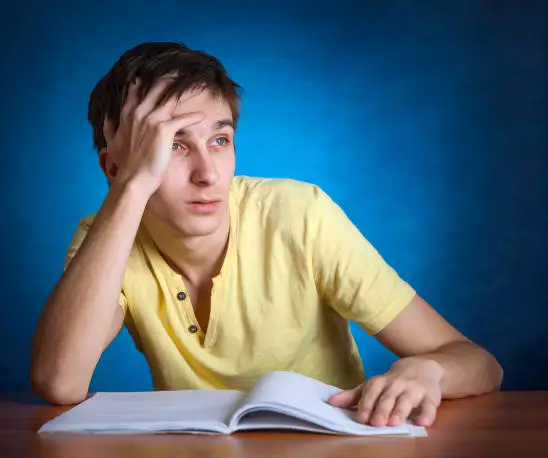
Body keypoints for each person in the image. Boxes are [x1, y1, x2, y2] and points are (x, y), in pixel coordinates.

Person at [30, 42, 503, 428]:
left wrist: (430, 370)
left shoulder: (300, 214)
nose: (208, 174)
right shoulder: (108, 236)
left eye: (220, 140)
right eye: (173, 146)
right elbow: (60, 382)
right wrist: (132, 188)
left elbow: (479, 362)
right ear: (114, 167)